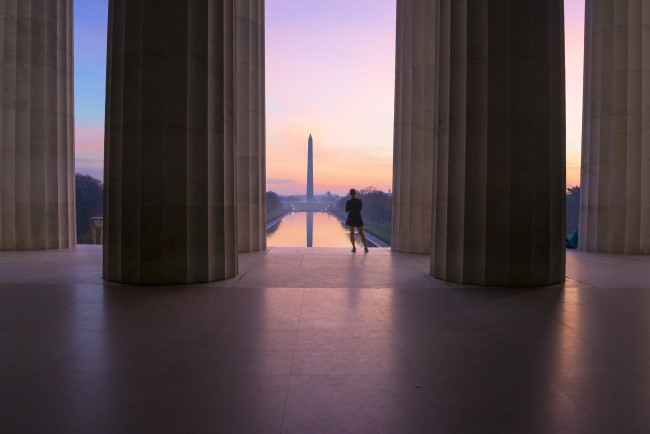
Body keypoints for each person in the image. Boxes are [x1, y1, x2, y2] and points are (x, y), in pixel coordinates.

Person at [345, 188, 368, 253]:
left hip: (351, 218)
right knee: (361, 233)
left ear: (350, 194)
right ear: (356, 193)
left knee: (352, 234)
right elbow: (360, 209)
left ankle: (354, 248)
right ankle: (365, 248)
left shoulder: (348, 202)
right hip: (358, 217)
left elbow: (346, 211)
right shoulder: (359, 201)